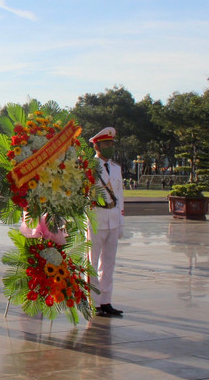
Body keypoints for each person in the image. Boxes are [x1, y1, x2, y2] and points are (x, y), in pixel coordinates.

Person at [88, 127, 125, 317]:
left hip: (112, 219)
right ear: (97, 146)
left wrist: (120, 222)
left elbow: (119, 196)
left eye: (112, 143)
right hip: (96, 218)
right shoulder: (88, 167)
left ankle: (106, 300)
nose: (110, 147)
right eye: (107, 144)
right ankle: (93, 302)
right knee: (92, 262)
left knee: (109, 262)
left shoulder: (116, 168)